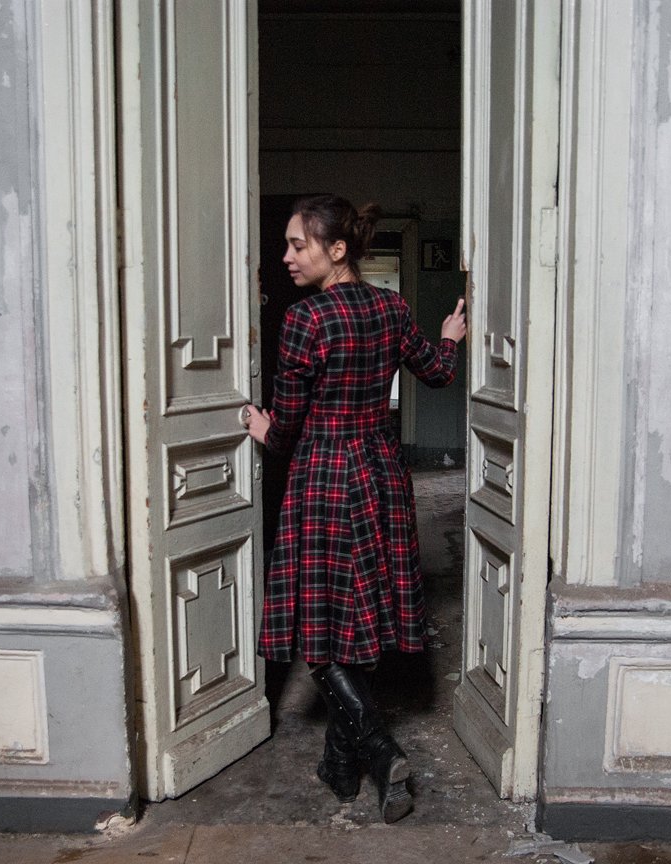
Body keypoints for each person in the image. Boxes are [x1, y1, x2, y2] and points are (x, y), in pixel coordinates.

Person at [243, 195, 467, 823]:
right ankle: (340, 766)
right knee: (359, 619)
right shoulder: (393, 308)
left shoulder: (305, 319)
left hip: (323, 476)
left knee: (320, 629)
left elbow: (286, 429)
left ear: (337, 250)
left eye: (298, 245)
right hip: (381, 473)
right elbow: (438, 373)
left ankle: (379, 747)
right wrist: (449, 339)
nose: (287, 257)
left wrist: (261, 428)